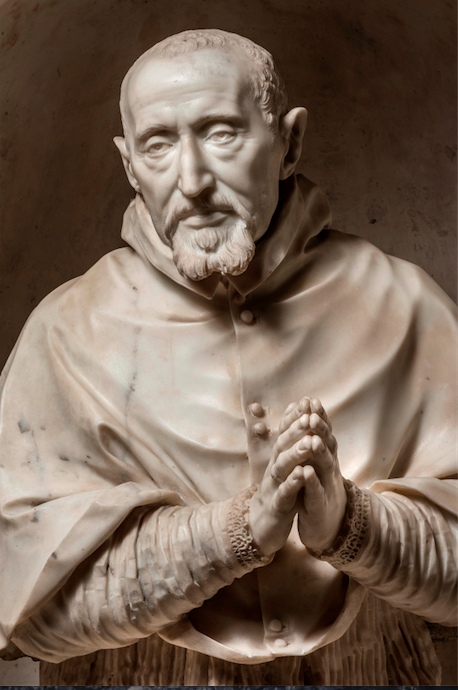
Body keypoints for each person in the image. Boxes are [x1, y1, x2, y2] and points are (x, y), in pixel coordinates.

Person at [0, 29, 456, 686]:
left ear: (288, 143)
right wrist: (235, 532)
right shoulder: (66, 335)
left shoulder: (407, 306)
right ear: (130, 166)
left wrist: (353, 525)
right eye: (159, 145)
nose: (193, 181)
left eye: (221, 134)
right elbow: (21, 611)